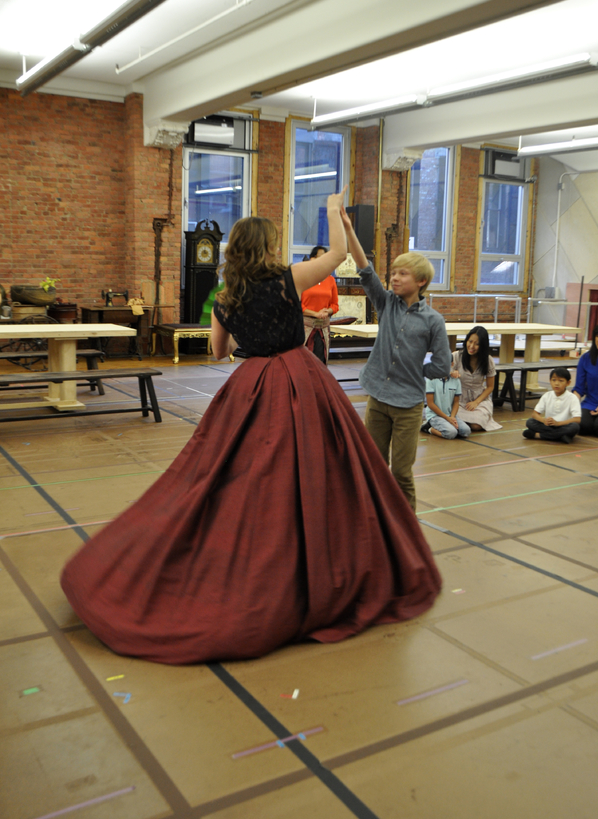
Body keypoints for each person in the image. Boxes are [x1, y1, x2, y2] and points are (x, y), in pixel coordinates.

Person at [60, 190, 441, 666]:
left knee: (234, 474)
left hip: (251, 384)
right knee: (320, 470)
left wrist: (251, 329)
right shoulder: (288, 278)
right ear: (268, 247)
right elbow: (341, 256)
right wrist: (332, 212)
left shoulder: (225, 294)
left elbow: (218, 352)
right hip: (299, 382)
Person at [343, 222, 451, 511]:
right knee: (374, 466)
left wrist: (415, 371)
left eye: (403, 273)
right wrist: (349, 229)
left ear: (421, 282)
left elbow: (442, 366)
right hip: (378, 398)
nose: (394, 278)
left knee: (401, 472)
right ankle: (375, 520)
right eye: (393, 273)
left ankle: (406, 529)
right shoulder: (386, 303)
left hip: (408, 406)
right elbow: (365, 270)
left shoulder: (433, 321)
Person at [450, 326, 502, 431]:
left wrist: (476, 402)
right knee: (457, 417)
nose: (472, 346)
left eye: (477, 344)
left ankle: (460, 425)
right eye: (470, 341)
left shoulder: (488, 360)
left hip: (479, 398)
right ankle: (459, 424)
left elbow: (490, 387)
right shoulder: (456, 356)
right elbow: (441, 374)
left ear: (483, 345)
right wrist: (451, 373)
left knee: (476, 425)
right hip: (458, 399)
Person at [300, 244, 339, 363]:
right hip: (305, 328)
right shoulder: (303, 278)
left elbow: (335, 305)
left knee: (320, 363)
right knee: (303, 363)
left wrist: (328, 311)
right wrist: (315, 314)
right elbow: (297, 305)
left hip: (323, 329)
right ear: (312, 259)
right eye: (318, 257)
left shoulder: (330, 280)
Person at [522, 367, 581, 443]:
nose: (556, 383)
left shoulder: (572, 398)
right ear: (550, 381)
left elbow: (577, 419)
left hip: (563, 425)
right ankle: (560, 437)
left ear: (568, 383)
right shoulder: (547, 395)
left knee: (575, 427)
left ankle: (538, 435)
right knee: (530, 422)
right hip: (548, 425)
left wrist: (558, 423)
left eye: (561, 381)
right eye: (554, 380)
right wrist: (544, 420)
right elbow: (535, 414)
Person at [422, 374, 472, 439]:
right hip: (434, 415)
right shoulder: (430, 379)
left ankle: (447, 425)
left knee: (466, 431)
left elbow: (456, 402)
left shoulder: (456, 380)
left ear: (452, 364)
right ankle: (429, 428)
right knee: (451, 433)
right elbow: (430, 404)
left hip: (450, 415)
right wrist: (447, 418)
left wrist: (452, 417)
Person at [573, 323, 598, 437]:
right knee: (583, 426)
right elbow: (579, 388)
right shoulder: (585, 358)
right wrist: (571, 405)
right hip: (590, 404)